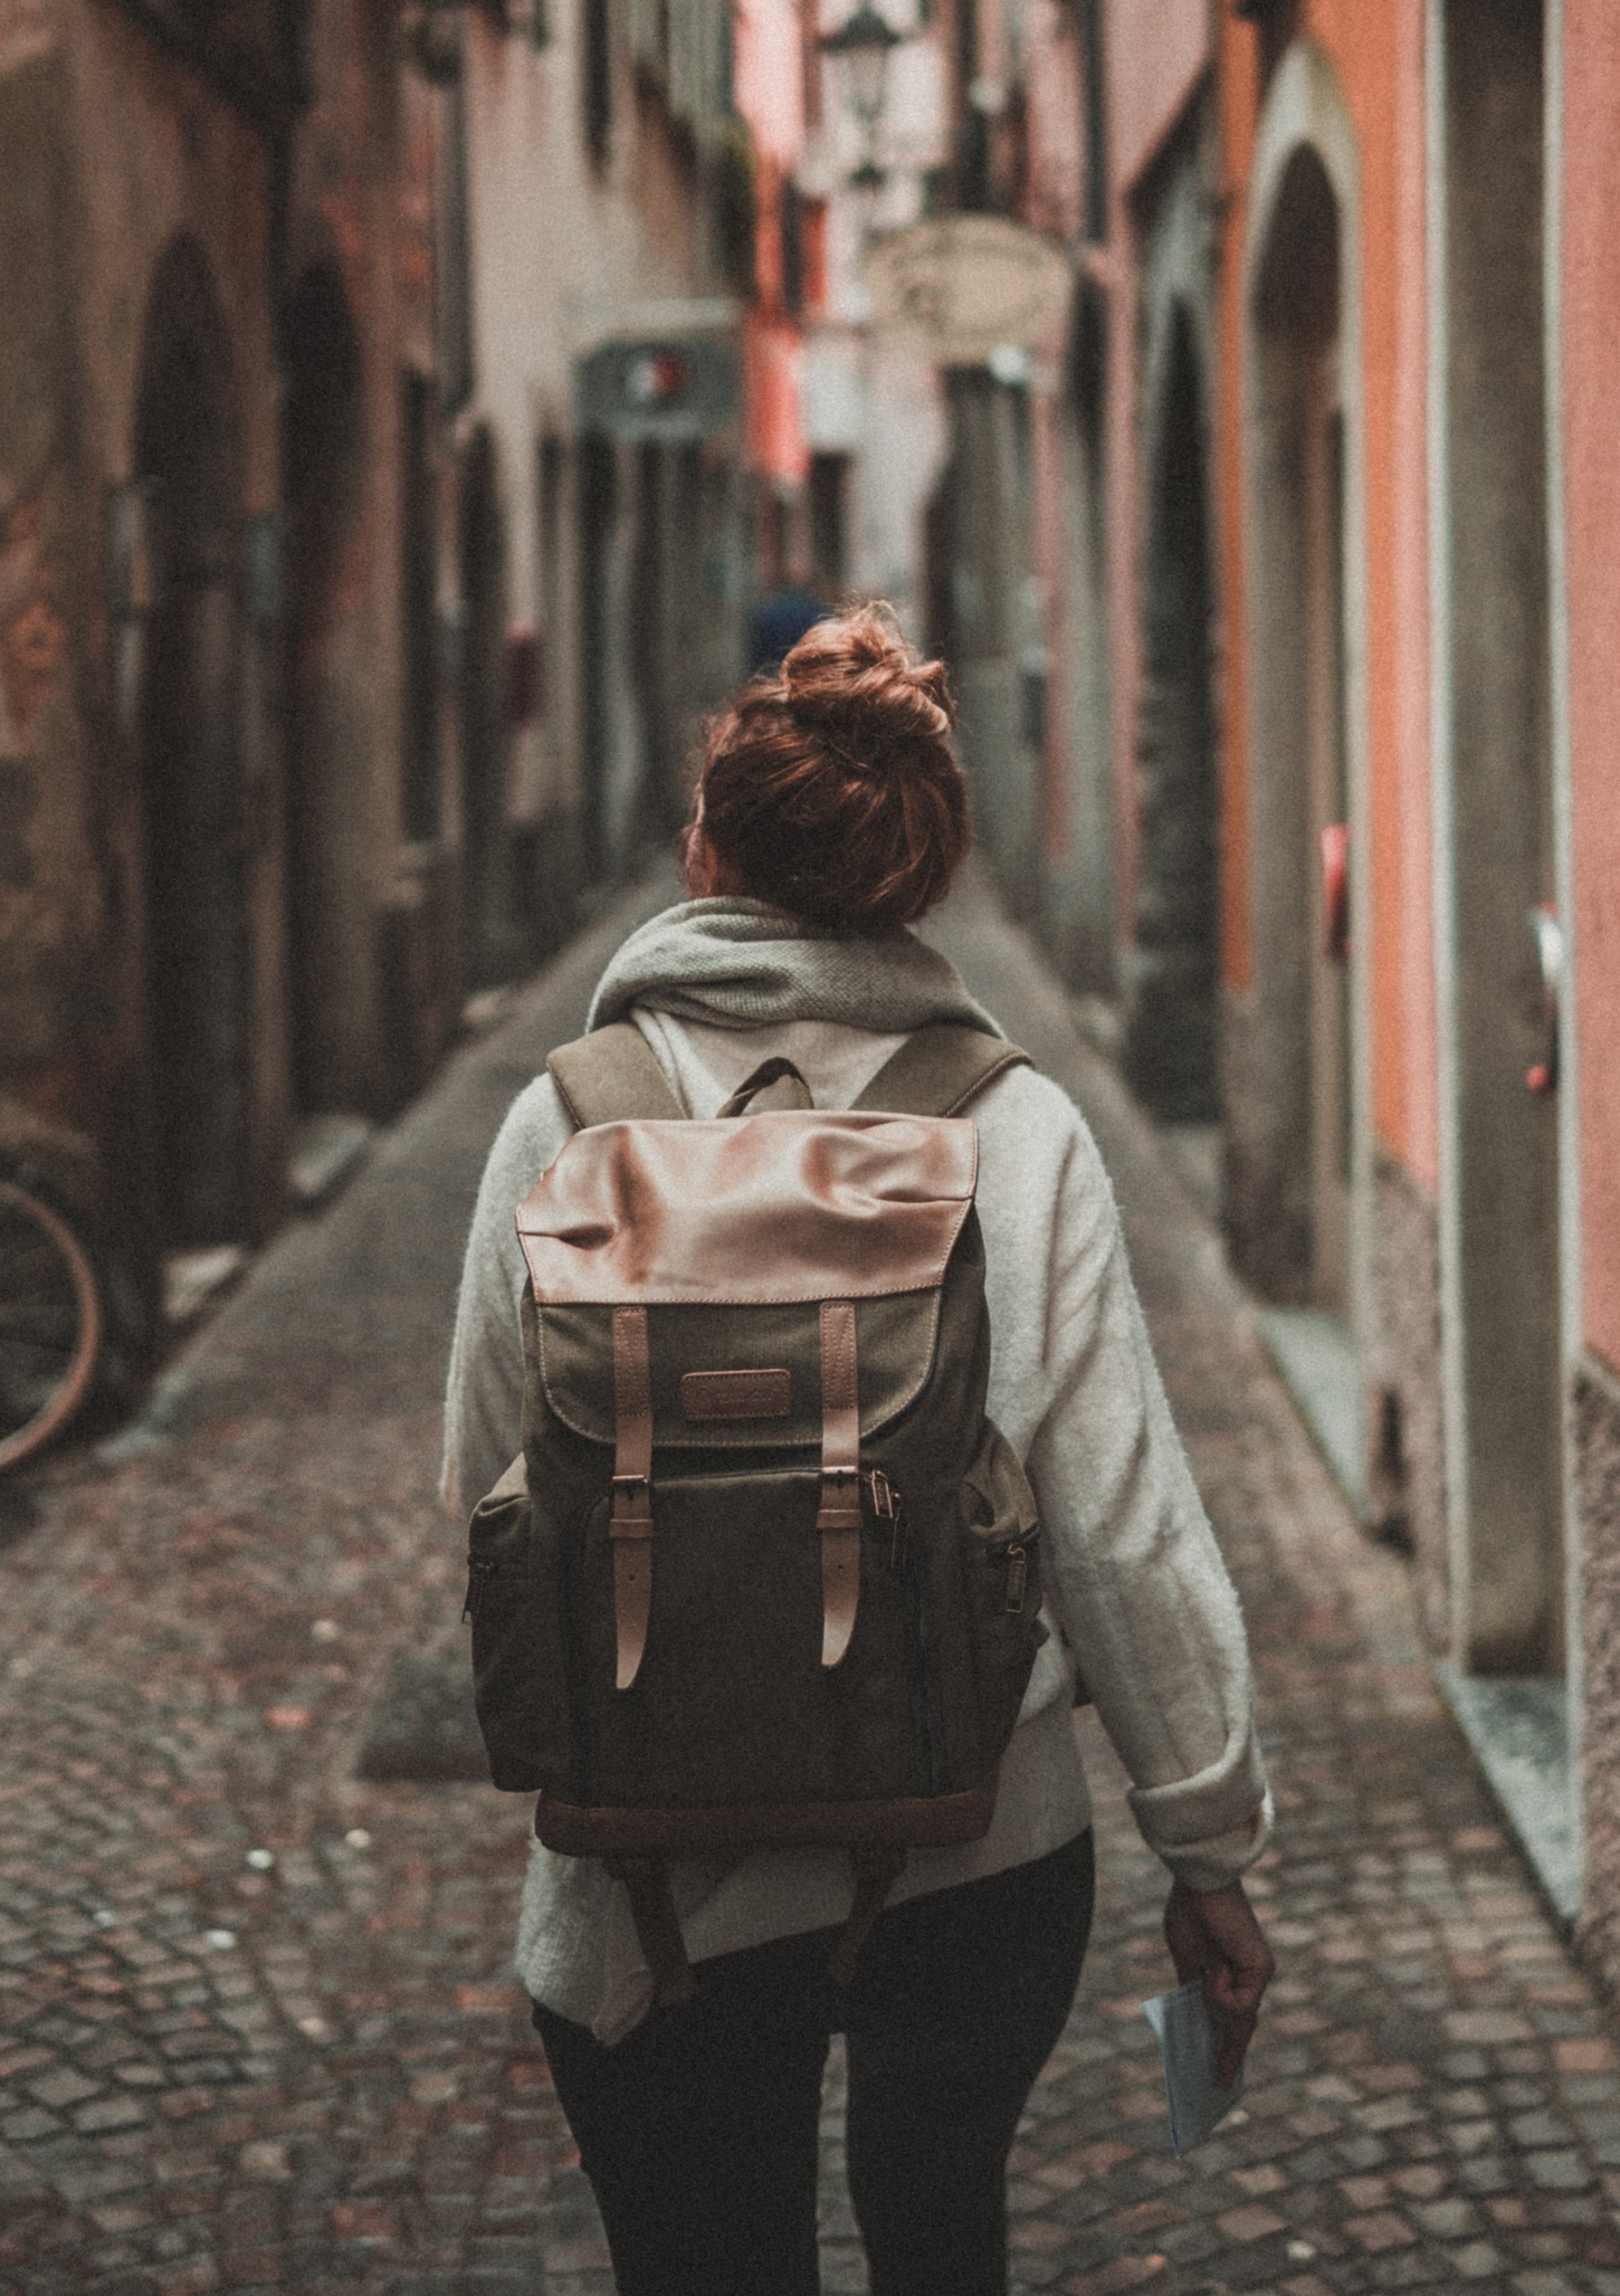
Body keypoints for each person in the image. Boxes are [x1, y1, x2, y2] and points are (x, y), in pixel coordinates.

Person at [440, 604, 1276, 2294]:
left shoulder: (569, 1119)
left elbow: (490, 1487)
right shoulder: (1012, 1128)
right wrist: (1212, 1845)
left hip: (652, 1874)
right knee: (941, 2224)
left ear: (706, 849)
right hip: (978, 1843)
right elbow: (1120, 1528)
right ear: (923, 876)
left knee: (708, 2260)